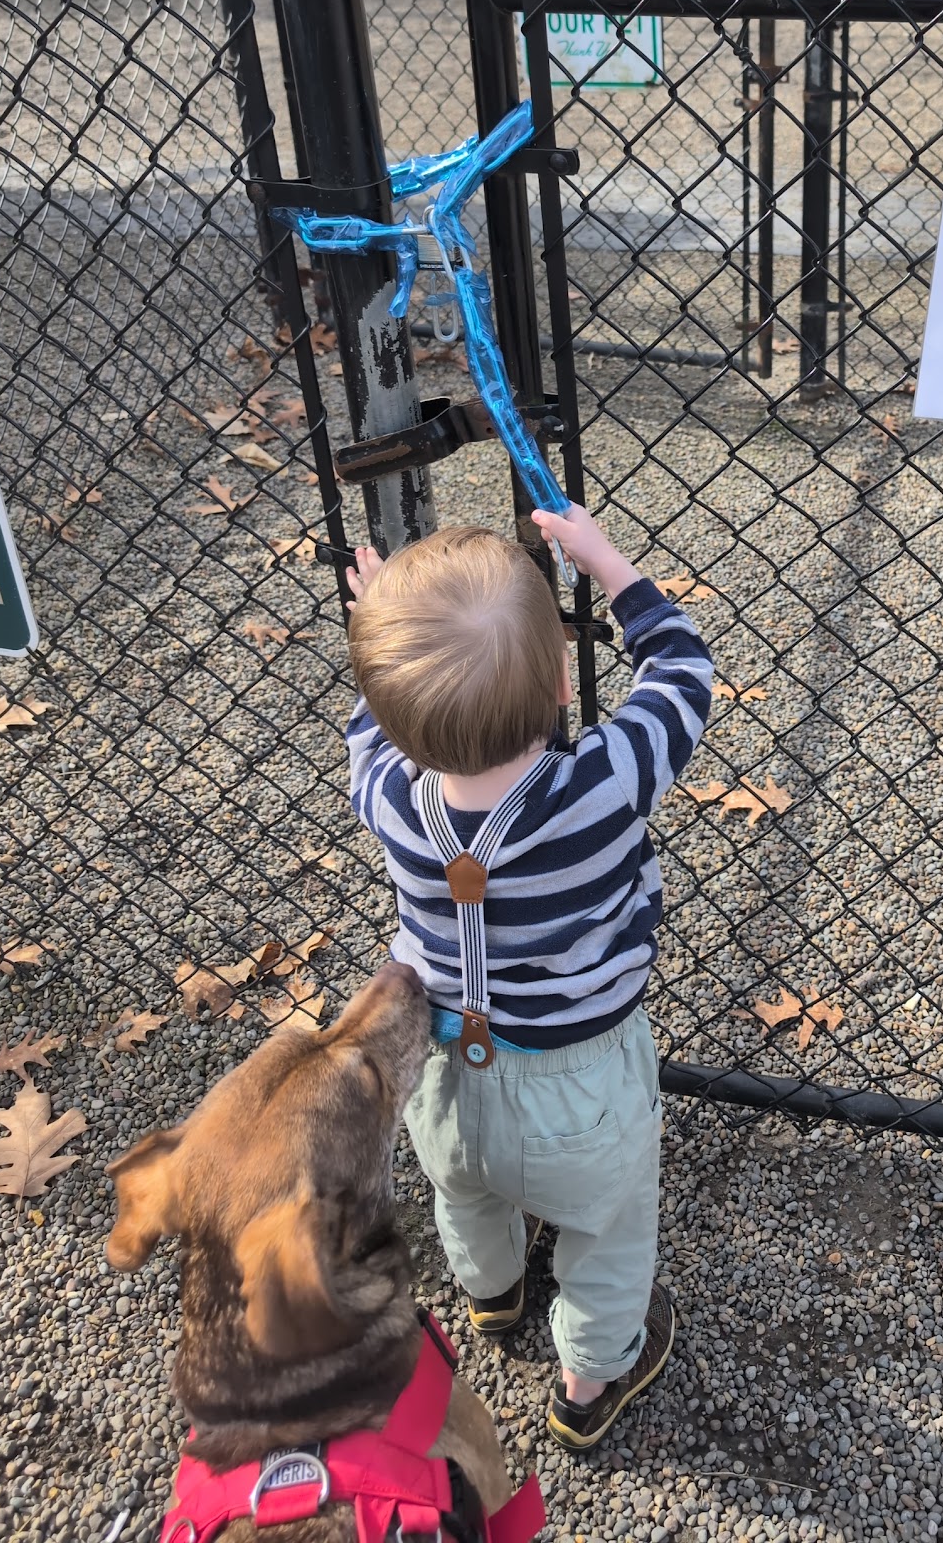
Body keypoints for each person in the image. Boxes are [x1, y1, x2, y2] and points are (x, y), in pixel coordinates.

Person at [344, 505, 712, 1452]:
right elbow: (682, 674)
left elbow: (370, 730)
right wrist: (608, 566)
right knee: (610, 1233)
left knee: (465, 1193)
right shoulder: (601, 785)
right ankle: (591, 1381)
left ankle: (495, 1298)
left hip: (441, 1073)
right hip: (582, 1083)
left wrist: (379, 611)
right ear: (559, 683)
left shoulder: (388, 796)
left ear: (391, 713)